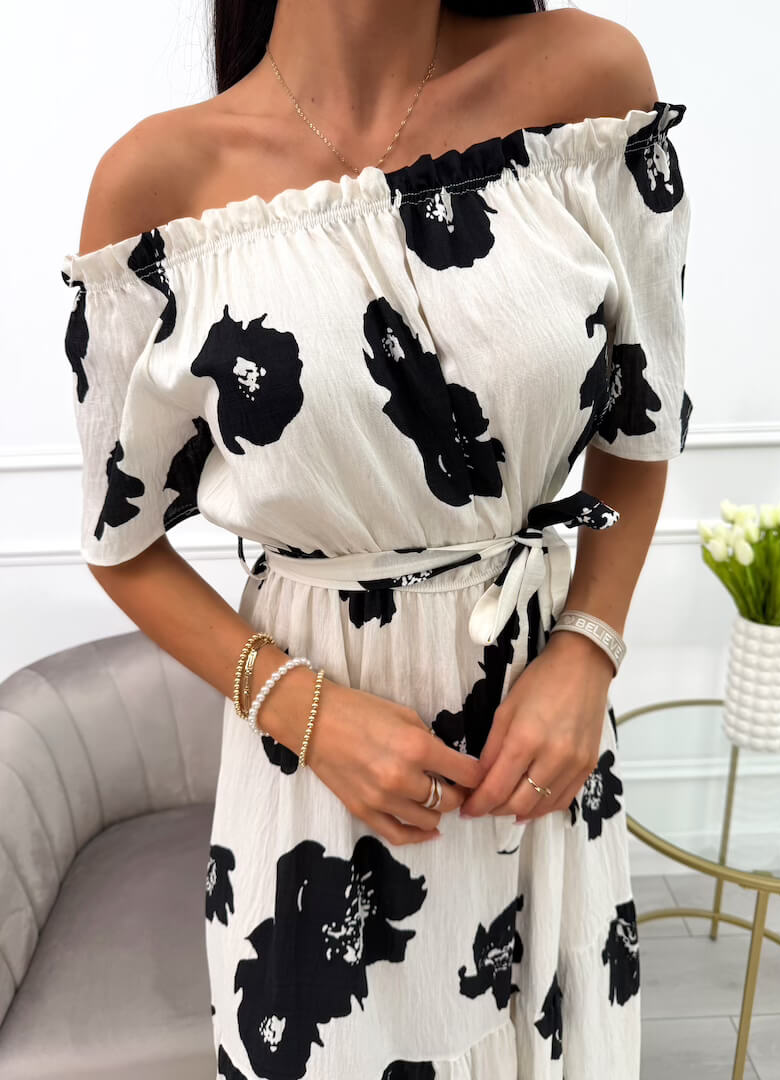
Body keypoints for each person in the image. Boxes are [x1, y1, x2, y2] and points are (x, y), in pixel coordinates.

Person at [60, 1, 692, 1076]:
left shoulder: (588, 85)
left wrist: (589, 647)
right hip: (314, 790)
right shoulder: (159, 185)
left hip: (542, 750)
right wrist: (301, 711)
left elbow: (645, 416)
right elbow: (120, 541)